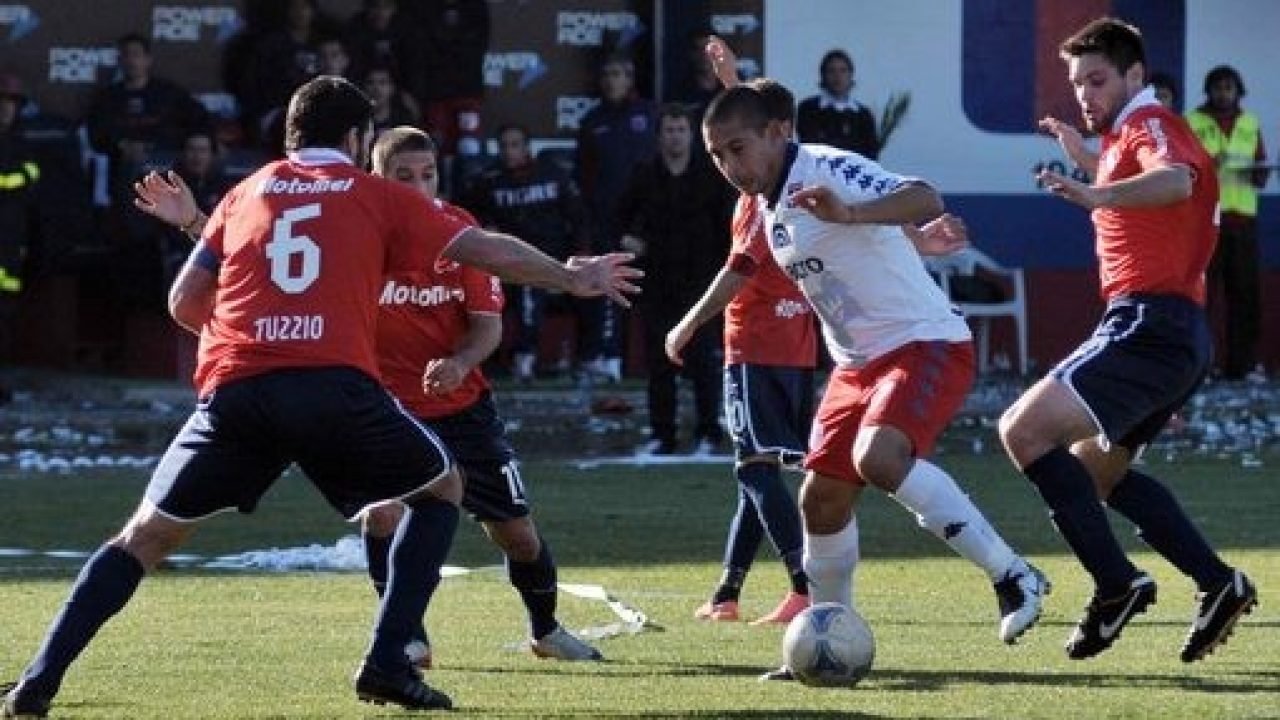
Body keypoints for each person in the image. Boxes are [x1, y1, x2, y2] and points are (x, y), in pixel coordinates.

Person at [1, 76, 639, 717]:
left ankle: (37, 682)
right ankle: (390, 659)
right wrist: (568, 275)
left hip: (237, 390)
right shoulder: (376, 195)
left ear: (289, 137)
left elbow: (184, 304)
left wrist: (256, 331)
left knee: (141, 537)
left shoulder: (244, 192)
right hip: (332, 386)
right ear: (360, 139)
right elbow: (481, 248)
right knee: (442, 488)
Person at [134, 125, 604, 667]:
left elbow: (486, 326)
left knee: (517, 535)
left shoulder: (458, 233)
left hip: (461, 410)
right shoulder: (351, 229)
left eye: (427, 175)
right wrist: (197, 224)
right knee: (381, 515)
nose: (418, 186)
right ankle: (405, 638)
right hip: (380, 408)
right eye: (403, 176)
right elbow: (262, 258)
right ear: (375, 179)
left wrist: (458, 362)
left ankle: (546, 630)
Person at [702, 85, 1049, 682]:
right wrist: (908, 241)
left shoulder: (828, 167)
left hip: (923, 342)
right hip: (855, 365)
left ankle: (1014, 574)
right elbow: (848, 247)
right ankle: (826, 637)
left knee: (879, 457)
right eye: (718, 156)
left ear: (778, 133)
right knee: (820, 500)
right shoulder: (767, 204)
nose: (731, 168)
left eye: (738, 148)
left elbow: (923, 195)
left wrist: (853, 211)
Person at [1002, 17, 1256, 663]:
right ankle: (1217, 582)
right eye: (1076, 83)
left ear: (1136, 76)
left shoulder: (1152, 125)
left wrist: (1092, 191)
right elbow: (1142, 179)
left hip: (1149, 323)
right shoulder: (1124, 134)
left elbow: (1178, 180)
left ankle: (1116, 586)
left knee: (1022, 432)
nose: (1084, 94)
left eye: (1097, 79)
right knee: (1098, 471)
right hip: (1173, 330)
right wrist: (1083, 153)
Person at [616, 103, 734, 455]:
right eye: (669, 130)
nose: (675, 136)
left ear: (693, 134)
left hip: (702, 283)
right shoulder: (644, 173)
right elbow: (618, 217)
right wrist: (628, 240)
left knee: (704, 362)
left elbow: (729, 227)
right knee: (659, 363)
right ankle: (661, 434)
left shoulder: (713, 175)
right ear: (658, 135)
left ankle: (708, 433)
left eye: (681, 129)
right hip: (657, 282)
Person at [463, 123, 591, 381]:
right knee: (524, 286)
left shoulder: (552, 175)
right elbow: (468, 220)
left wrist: (577, 258)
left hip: (552, 259)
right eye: (504, 146)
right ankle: (519, 358)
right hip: (505, 264)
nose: (510, 152)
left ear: (527, 147)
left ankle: (593, 360)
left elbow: (578, 219)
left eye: (515, 145)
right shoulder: (488, 182)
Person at [575, 52, 659, 382]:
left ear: (631, 78)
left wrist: (642, 225)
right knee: (610, 287)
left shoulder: (650, 115)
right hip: (606, 219)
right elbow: (583, 177)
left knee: (657, 292)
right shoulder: (592, 121)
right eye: (607, 74)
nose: (612, 80)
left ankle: (664, 361)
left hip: (648, 219)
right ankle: (609, 359)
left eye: (619, 74)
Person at [1186, 65, 1269, 380]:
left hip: (1242, 221)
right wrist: (1209, 165)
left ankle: (1242, 367)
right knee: (1202, 298)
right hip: (1205, 221)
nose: (1223, 93)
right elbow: (1182, 170)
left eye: (1229, 88)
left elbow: (1261, 175)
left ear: (1238, 92)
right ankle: (1199, 367)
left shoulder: (1250, 124)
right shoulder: (1191, 122)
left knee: (1244, 296)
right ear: (1208, 91)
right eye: (1218, 88)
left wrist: (1253, 170)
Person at [795, 49, 879, 159]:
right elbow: (806, 145)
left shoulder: (863, 115)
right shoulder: (807, 109)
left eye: (843, 71)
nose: (837, 76)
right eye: (831, 71)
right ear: (823, 75)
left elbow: (871, 153)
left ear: (850, 75)